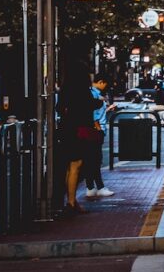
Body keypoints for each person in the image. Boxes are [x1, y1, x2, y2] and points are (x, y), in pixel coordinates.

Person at [57, 62, 103, 215]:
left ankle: (72, 201)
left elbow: (59, 108)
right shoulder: (82, 90)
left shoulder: (65, 90)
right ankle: (70, 203)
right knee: (76, 165)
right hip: (79, 130)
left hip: (66, 130)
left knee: (70, 167)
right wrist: (99, 101)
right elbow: (89, 105)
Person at [84, 74, 115, 199]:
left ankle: (91, 187)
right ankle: (97, 187)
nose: (106, 87)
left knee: (92, 159)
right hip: (96, 130)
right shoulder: (94, 94)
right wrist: (97, 127)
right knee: (95, 160)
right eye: (106, 84)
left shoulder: (93, 93)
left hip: (95, 129)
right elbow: (93, 114)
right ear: (101, 82)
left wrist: (107, 110)